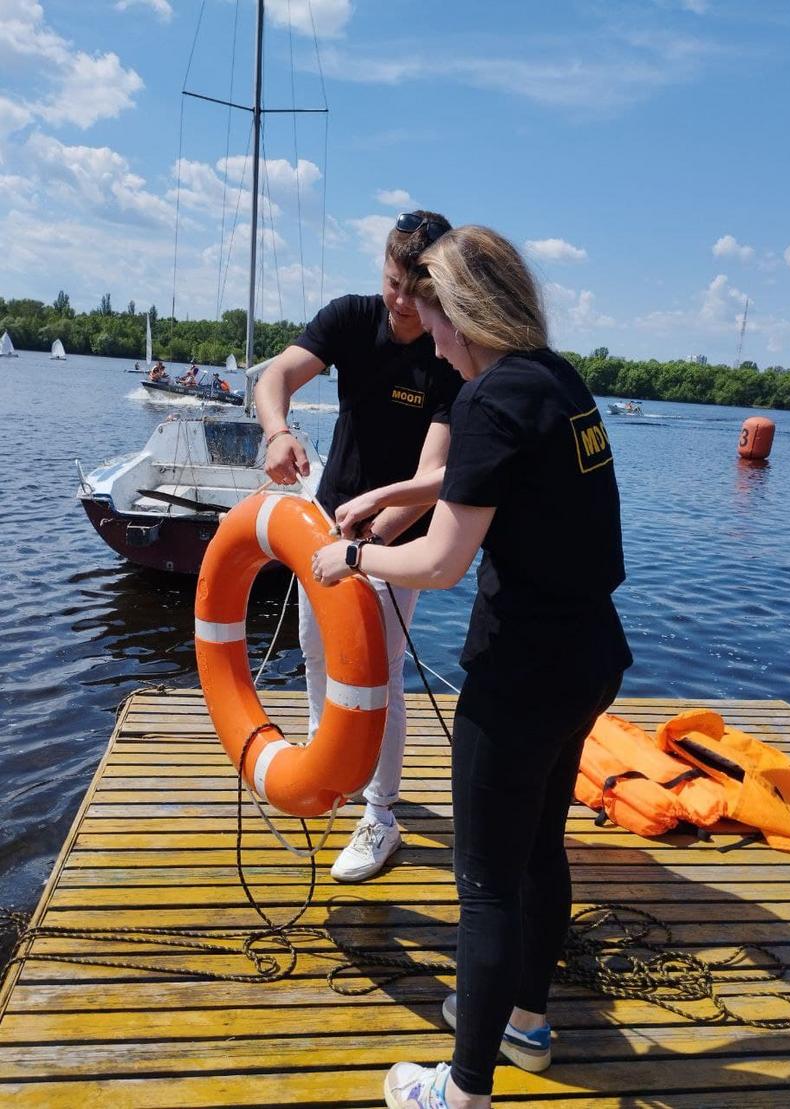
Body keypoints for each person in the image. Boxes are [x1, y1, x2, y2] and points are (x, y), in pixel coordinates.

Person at [311, 226, 633, 1108]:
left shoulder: (489, 398)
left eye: (430, 308)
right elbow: (489, 485)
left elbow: (442, 562)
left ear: (464, 311)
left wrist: (357, 561)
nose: (423, 329)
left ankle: (462, 1089)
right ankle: (525, 1019)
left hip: (521, 670)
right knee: (537, 853)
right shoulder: (555, 380)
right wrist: (392, 495)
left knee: (486, 880)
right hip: (590, 654)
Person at [255, 210, 462, 883]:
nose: (401, 301)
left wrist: (366, 548)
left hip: (394, 538)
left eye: (415, 287)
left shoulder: (446, 350)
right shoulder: (349, 317)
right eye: (392, 281)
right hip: (328, 517)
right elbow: (275, 375)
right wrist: (277, 432)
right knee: (318, 652)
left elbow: (432, 480)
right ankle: (330, 772)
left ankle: (380, 814)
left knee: (380, 671)